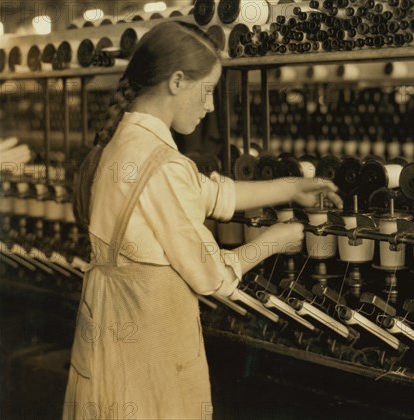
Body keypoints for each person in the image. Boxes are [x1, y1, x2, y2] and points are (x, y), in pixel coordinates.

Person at [63, 21, 342, 420]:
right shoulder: (164, 165)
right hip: (149, 357)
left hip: (111, 342)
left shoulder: (121, 144)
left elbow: (211, 193)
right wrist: (274, 240)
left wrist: (291, 187)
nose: (210, 106)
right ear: (177, 81)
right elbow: (212, 276)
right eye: (207, 90)